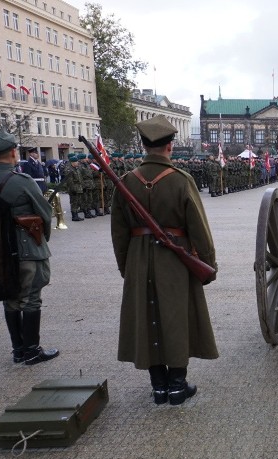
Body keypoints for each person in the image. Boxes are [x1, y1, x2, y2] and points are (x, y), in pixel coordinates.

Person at [111, 116, 218, 406]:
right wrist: (208, 263)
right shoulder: (182, 180)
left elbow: (119, 233)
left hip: (138, 257)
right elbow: (199, 227)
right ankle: (176, 386)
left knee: (147, 317)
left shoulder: (125, 182)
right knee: (176, 316)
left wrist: (127, 266)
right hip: (175, 257)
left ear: (143, 146)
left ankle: (158, 386)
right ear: (170, 146)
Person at [0, 132, 59, 364]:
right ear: (13, 152)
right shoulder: (22, 181)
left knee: (10, 298)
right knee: (32, 297)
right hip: (26, 249)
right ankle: (32, 350)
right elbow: (44, 212)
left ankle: (18, 350)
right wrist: (43, 238)